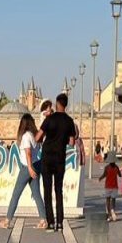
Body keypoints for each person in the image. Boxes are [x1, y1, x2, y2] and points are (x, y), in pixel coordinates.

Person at [36, 93, 78, 231]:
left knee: (47, 190)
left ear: (56, 103)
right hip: (60, 158)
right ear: (66, 104)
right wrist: (63, 138)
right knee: (58, 190)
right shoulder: (69, 121)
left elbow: (37, 137)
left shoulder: (50, 119)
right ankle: (60, 222)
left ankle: (51, 222)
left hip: (47, 157)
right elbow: (72, 142)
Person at [0, 114, 47, 229]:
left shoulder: (26, 136)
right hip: (36, 165)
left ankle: (7, 220)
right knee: (36, 194)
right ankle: (43, 220)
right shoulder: (34, 135)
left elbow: (28, 153)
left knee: (16, 194)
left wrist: (29, 168)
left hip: (27, 167)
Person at [99, 154, 122, 221]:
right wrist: (119, 172)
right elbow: (120, 175)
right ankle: (113, 210)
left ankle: (109, 215)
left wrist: (100, 178)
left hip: (108, 186)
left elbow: (104, 175)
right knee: (113, 200)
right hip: (115, 186)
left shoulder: (107, 167)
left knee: (107, 200)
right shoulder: (116, 167)